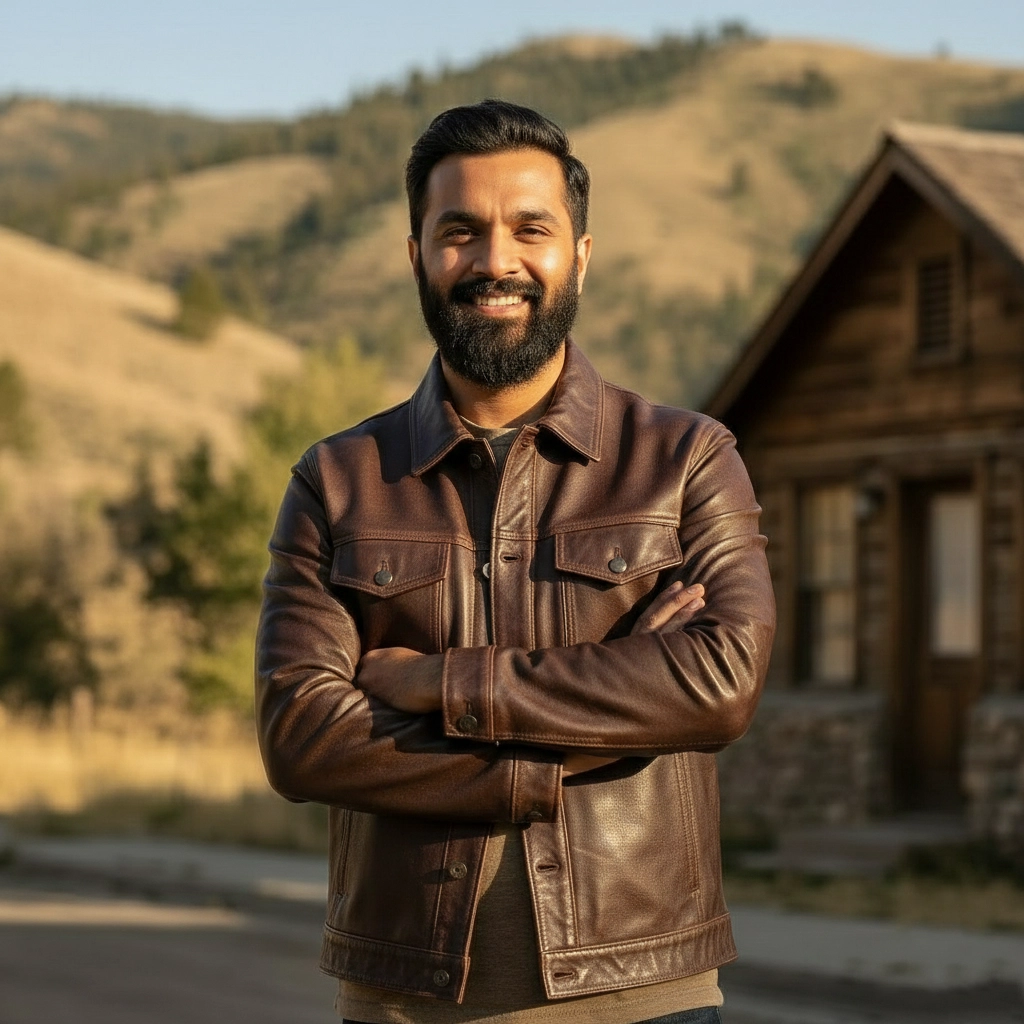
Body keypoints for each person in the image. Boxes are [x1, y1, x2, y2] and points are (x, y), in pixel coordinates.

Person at [256, 99, 775, 1024]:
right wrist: (581, 738)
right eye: (460, 231)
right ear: (415, 253)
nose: (495, 261)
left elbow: (721, 684)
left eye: (530, 228)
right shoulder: (336, 481)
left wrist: (434, 680)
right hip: (404, 998)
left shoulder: (688, 458)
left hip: (641, 996)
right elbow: (303, 738)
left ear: (579, 253)